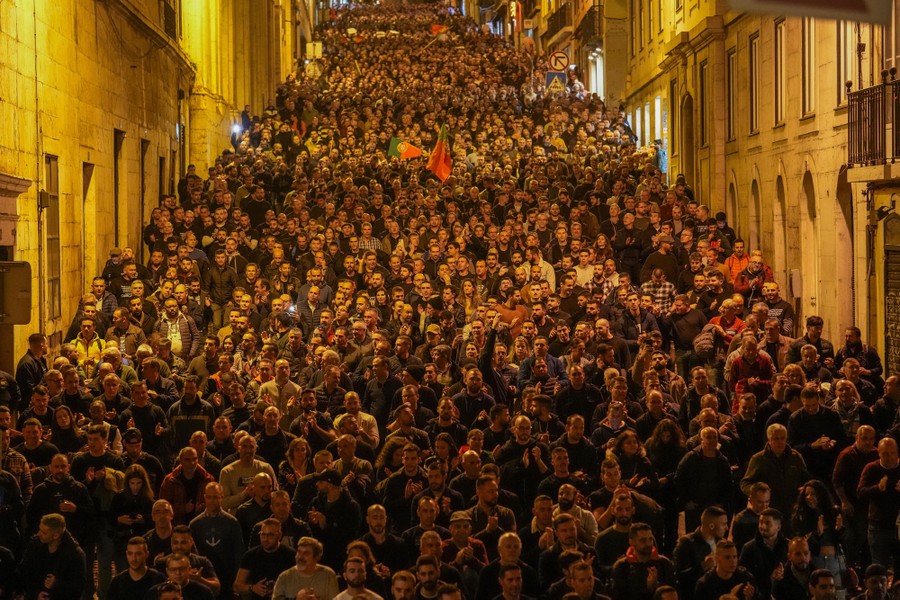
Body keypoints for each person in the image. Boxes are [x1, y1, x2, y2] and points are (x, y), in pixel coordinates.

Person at [16, 513, 87, 600]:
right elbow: (25, 572)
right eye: (39, 529)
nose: (38, 534)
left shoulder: (75, 554)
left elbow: (77, 588)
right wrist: (35, 594)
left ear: (56, 535)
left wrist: (57, 584)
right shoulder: (34, 545)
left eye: (44, 532)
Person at [610, 522, 677, 600]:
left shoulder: (664, 563)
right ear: (631, 542)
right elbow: (618, 596)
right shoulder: (621, 567)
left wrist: (656, 585)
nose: (648, 544)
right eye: (643, 540)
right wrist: (646, 588)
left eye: (650, 539)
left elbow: (674, 593)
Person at [234, 518, 296, 600]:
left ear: (279, 535)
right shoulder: (251, 555)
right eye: (263, 535)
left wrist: (280, 589)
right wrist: (252, 588)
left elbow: (300, 583)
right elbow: (237, 586)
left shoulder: (291, 555)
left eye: (270, 535)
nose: (265, 539)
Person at [271, 536, 340, 600]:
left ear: (317, 557)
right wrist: (296, 599)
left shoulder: (328, 574)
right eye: (299, 552)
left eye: (306, 553)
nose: (300, 557)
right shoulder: (284, 577)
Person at [693, 541, 757, 600]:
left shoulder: (745, 578)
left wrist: (751, 597)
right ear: (717, 559)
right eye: (727, 557)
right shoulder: (705, 584)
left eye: (734, 557)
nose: (732, 561)